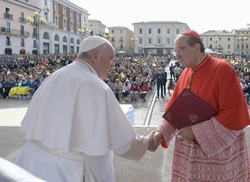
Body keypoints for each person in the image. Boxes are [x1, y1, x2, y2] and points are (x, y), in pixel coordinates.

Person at [15, 36, 155, 182]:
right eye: (111, 58)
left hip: (32, 163)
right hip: (69, 171)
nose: (112, 65)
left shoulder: (55, 76)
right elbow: (124, 143)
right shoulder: (97, 87)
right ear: (95, 56)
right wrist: (148, 142)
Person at [149, 30, 250, 181]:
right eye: (175, 51)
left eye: (180, 50)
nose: (176, 55)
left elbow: (233, 115)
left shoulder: (222, 69)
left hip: (216, 159)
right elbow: (174, 112)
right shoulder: (185, 73)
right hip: (188, 156)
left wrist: (196, 132)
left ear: (196, 48)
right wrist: (160, 134)